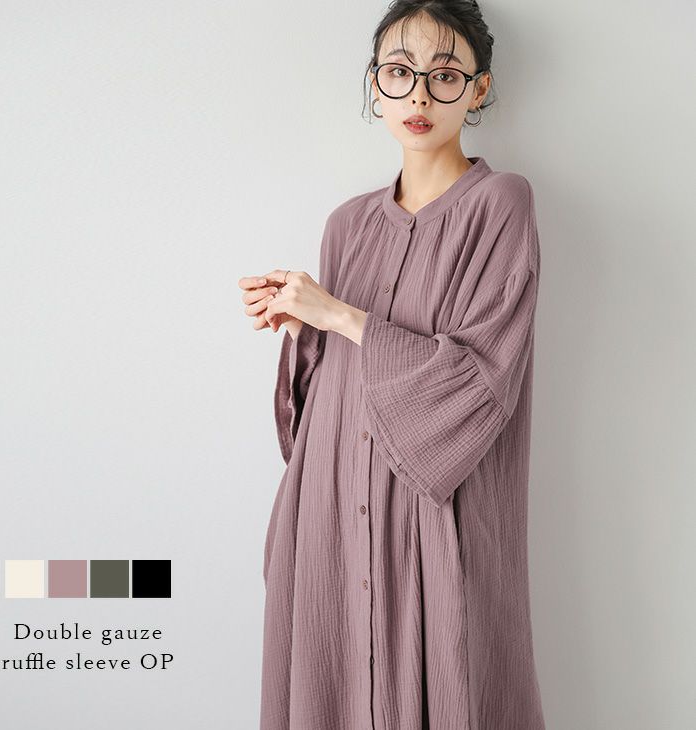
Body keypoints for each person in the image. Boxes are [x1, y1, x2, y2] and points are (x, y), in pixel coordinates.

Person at [238, 2, 546, 728]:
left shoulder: (501, 204)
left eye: (445, 75)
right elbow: (319, 409)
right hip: (331, 504)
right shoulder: (347, 224)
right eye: (400, 72)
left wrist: (339, 315)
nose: (419, 95)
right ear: (376, 86)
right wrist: (300, 329)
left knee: (451, 678)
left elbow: (481, 380)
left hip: (436, 510)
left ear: (478, 88)